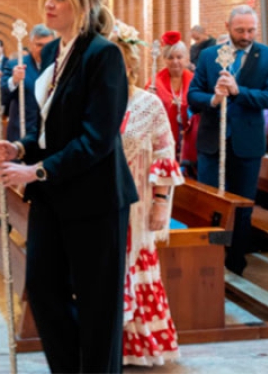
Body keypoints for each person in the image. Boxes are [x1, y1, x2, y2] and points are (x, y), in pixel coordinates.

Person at [0, 0, 137, 374]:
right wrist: (20, 146)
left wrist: (34, 172)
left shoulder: (102, 55)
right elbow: (51, 127)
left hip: (96, 197)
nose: (49, 4)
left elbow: (96, 138)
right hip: (55, 193)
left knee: (96, 306)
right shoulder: (55, 51)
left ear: (83, 5)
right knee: (42, 289)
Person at [187, 5, 268, 275]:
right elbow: (193, 95)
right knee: (210, 203)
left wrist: (239, 92)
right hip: (213, 141)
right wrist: (213, 99)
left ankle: (236, 260)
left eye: (251, 30)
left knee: (243, 204)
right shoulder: (209, 55)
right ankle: (208, 261)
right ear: (227, 27)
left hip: (246, 143)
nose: (246, 35)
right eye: (240, 30)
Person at [113, 21, 182, 366]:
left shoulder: (149, 104)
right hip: (103, 203)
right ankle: (108, 345)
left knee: (135, 263)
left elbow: (164, 155)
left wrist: (160, 204)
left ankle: (139, 346)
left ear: (130, 66)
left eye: (119, 63)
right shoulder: (95, 103)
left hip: (138, 204)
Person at [1, 23, 55, 142]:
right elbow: (2, 95)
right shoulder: (15, 64)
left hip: (50, 134)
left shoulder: (58, 66)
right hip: (22, 133)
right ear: (30, 44)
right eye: (39, 45)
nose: (44, 49)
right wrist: (14, 80)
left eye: (48, 45)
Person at [150, 31, 195, 164]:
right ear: (164, 59)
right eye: (170, 57)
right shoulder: (154, 81)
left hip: (188, 138)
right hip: (164, 138)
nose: (175, 61)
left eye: (179, 57)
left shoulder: (195, 80)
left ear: (186, 58)